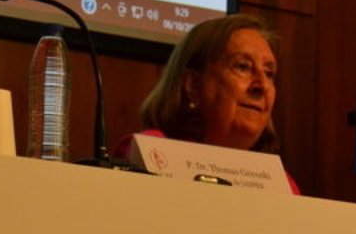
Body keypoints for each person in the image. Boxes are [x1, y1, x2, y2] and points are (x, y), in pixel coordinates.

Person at [115, 14, 298, 192]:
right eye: (243, 66)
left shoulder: (282, 184)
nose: (262, 86)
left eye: (269, 73)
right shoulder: (147, 153)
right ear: (192, 84)